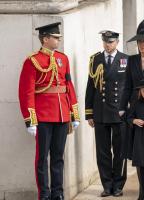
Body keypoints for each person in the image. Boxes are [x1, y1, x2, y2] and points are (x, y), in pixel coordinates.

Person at [18, 22, 80, 200]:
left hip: (62, 115)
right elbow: (26, 92)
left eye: (58, 37)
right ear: (45, 39)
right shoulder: (33, 61)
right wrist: (30, 120)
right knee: (42, 159)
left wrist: (73, 113)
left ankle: (57, 193)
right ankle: (44, 195)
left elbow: (69, 86)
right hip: (43, 116)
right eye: (55, 37)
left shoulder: (63, 58)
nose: (58, 40)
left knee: (58, 157)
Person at [85, 30, 128, 197]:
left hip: (119, 113)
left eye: (111, 42)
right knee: (102, 151)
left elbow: (129, 87)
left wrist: (128, 110)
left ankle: (118, 184)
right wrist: (89, 113)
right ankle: (107, 185)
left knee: (120, 151)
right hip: (101, 112)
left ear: (117, 42)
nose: (108, 45)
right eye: (105, 42)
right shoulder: (95, 59)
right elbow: (90, 87)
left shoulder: (126, 59)